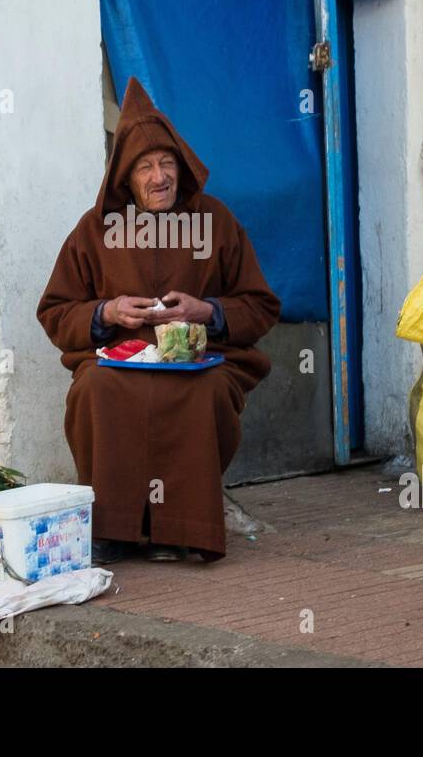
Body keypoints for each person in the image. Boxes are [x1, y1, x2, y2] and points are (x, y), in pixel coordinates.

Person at [37, 78, 279, 563]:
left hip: (202, 359)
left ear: (181, 167)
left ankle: (182, 529)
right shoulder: (95, 229)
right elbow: (55, 309)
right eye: (144, 167)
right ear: (125, 178)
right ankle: (113, 528)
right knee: (94, 391)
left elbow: (260, 304)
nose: (158, 177)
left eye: (166, 163)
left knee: (202, 392)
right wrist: (105, 312)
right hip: (116, 363)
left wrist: (207, 311)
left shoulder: (215, 221)